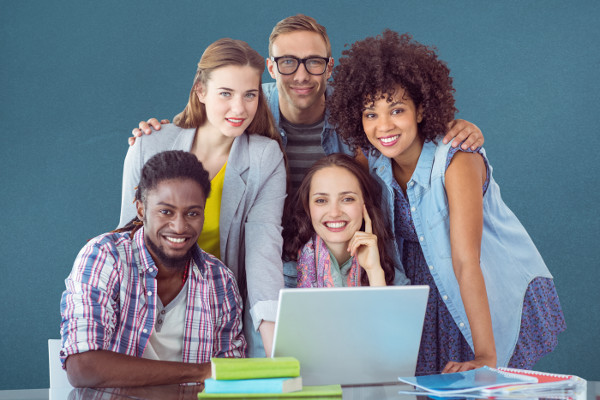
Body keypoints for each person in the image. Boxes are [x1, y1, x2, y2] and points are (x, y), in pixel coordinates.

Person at [130, 14, 485, 289]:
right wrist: (160, 133)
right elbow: (212, 113)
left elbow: (396, 125)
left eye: (314, 62)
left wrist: (449, 128)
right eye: (287, 62)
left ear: (329, 67)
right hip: (261, 263)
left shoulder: (352, 118)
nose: (301, 74)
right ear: (271, 67)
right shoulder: (249, 106)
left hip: (344, 259)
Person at [327, 30, 566, 375]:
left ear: (422, 108)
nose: (384, 126)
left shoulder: (458, 160)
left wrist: (485, 354)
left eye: (396, 110)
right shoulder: (372, 159)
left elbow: (466, 260)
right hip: (415, 291)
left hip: (471, 288)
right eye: (370, 114)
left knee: (474, 383)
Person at [119, 38, 287, 358]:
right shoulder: (148, 145)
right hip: (151, 306)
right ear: (201, 91)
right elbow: (128, 237)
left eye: (250, 95)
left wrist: (278, 354)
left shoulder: (265, 158)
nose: (239, 108)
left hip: (217, 313)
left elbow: (263, 253)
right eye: (226, 93)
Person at [60, 151, 246, 387]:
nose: (179, 227)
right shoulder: (105, 257)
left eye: (192, 213)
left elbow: (232, 378)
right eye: (166, 211)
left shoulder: (220, 280)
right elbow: (83, 368)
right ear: (141, 209)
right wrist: (199, 372)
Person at [283, 154, 395, 287]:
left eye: (347, 199)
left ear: (365, 204)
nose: (335, 213)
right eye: (321, 200)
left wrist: (374, 271)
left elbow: (388, 308)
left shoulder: (390, 273)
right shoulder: (281, 274)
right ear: (308, 207)